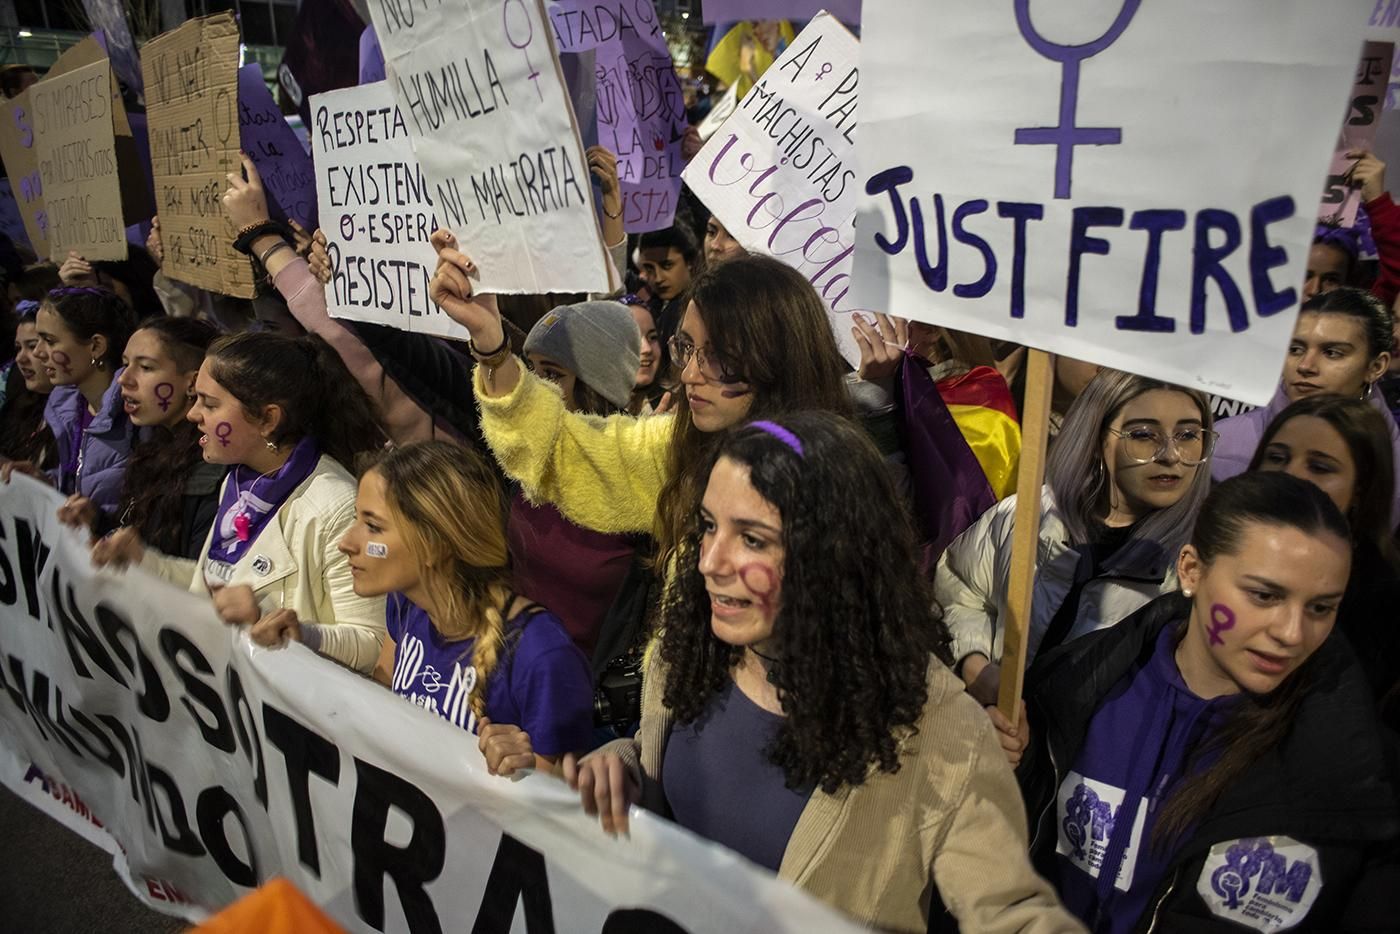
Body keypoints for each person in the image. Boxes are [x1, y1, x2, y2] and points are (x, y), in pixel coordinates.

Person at [560, 414, 1083, 932]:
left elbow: (1010, 914)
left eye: (753, 539)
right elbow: (667, 785)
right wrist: (622, 765)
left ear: (831, 556)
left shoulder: (938, 726)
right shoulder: (686, 650)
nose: (710, 562)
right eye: (709, 526)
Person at [1019, 472, 1399, 931]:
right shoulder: (1072, 686)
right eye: (1264, 595)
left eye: (1320, 608)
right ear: (1191, 571)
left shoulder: (1356, 774)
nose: (1292, 633)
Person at [427, 234, 853, 576]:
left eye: (720, 356)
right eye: (686, 348)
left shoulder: (844, 491)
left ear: (779, 359)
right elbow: (556, 447)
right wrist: (490, 339)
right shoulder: (675, 449)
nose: (688, 375)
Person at [253, 441, 595, 775]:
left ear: (433, 543)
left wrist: (529, 768)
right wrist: (305, 646)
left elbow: (568, 810)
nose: (347, 542)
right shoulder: (405, 602)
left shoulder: (542, 654)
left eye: (373, 527)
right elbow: (382, 708)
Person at [90, 331, 389, 675]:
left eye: (211, 404)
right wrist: (144, 562)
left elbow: (374, 644)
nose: (193, 415)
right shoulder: (240, 483)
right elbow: (221, 586)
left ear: (268, 419)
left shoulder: (337, 505)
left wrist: (284, 628)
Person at [939, 371, 1214, 711]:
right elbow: (960, 586)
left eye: (1188, 434)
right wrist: (976, 668)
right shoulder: (1027, 514)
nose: (1172, 455)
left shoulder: (1196, 571)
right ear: (1098, 438)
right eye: (1144, 434)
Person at [1248, 394, 1400, 710]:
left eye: (1319, 466)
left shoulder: (1382, 599)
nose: (1290, 474)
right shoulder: (1218, 547)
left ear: (1361, 488)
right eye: (1277, 457)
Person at [1212, 287, 1400, 525]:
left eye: (1332, 353)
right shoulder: (1224, 443)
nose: (1306, 365)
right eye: (1295, 349)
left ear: (1376, 367)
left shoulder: (1395, 464)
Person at [57, 317, 224, 559]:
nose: (123, 379)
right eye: (126, 364)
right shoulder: (152, 446)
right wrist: (97, 522)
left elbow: (198, 579)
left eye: (145, 367)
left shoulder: (213, 467)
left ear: (192, 382)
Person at [23, 287, 138, 513]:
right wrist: (43, 484)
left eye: (49, 341)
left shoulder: (135, 416)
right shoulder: (65, 408)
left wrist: (98, 523)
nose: (37, 353)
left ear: (95, 346)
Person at [0, 303, 56, 467]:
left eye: (32, 346)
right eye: (18, 348)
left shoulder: (72, 416)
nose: (20, 358)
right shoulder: (20, 405)